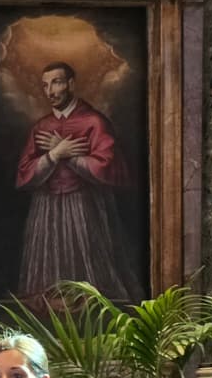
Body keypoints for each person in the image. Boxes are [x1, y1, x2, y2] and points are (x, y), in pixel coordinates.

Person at [14, 61, 141, 303]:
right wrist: (54, 155)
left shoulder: (95, 122)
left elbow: (108, 168)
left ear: (71, 84)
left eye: (57, 83)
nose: (50, 91)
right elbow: (24, 175)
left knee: (89, 280)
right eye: (45, 85)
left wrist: (69, 156)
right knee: (46, 286)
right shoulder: (41, 127)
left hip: (85, 205)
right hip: (46, 208)